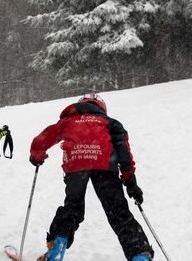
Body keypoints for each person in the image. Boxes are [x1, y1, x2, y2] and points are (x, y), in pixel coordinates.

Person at [29, 93, 154, 261]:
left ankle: (56, 250)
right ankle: (140, 255)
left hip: (76, 165)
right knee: (118, 211)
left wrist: (37, 156)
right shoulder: (111, 123)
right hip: (104, 164)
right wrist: (130, 181)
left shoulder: (68, 121)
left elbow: (42, 139)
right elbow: (124, 153)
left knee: (72, 208)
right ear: (101, 108)